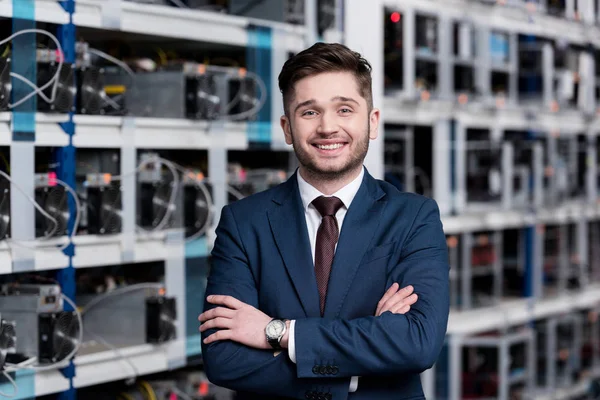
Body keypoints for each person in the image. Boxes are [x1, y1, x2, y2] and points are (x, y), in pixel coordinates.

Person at [198, 42, 450, 400]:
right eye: (309, 112)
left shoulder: (414, 217)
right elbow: (225, 359)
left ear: (372, 121)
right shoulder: (243, 222)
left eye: (344, 109)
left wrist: (278, 333)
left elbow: (417, 343)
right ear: (287, 128)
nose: (328, 127)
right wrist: (359, 365)